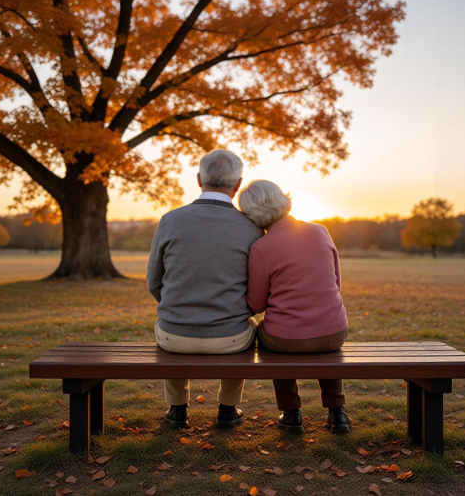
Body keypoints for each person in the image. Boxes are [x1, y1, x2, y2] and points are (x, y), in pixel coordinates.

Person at [147, 149, 264, 429]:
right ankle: (227, 407)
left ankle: (177, 409)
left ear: (199, 180)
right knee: (247, 327)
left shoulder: (170, 220)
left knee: (170, 324)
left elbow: (154, 281)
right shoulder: (252, 227)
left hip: (174, 336)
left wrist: (180, 306)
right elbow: (257, 289)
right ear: (237, 184)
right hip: (230, 338)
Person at [239, 180, 351, 434]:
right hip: (334, 333)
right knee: (323, 343)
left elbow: (256, 304)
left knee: (264, 334)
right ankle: (338, 412)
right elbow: (336, 283)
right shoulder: (320, 230)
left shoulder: (261, 247)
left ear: (252, 215)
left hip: (284, 339)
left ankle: (291, 413)